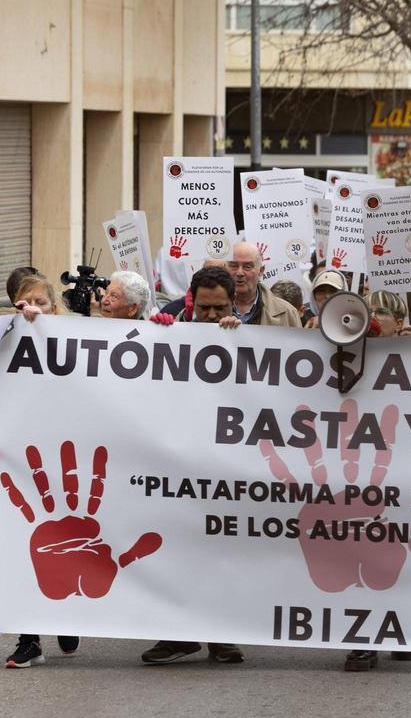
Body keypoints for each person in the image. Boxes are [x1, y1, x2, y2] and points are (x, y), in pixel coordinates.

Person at [0, 274, 80, 668]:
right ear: (14, 306)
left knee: (63, 539)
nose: (33, 308)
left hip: (64, 468)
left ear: (53, 307)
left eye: (41, 302)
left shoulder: (76, 342)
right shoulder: (0, 346)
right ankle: (29, 640)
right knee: (18, 549)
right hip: (15, 470)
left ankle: (65, 614)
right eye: (25, 302)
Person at [141, 267, 244, 663]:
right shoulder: (167, 326)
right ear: (190, 300)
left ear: (233, 303)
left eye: (221, 308)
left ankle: (222, 635)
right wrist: (156, 334)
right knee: (173, 552)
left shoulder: (248, 334)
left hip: (223, 467)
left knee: (218, 553)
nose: (213, 316)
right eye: (205, 308)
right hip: (174, 465)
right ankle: (177, 635)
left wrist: (241, 338)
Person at [228, 242, 301, 327]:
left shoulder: (288, 312)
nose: (239, 273)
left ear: (261, 271)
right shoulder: (210, 307)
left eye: (247, 267)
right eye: (234, 266)